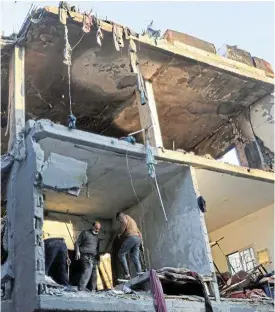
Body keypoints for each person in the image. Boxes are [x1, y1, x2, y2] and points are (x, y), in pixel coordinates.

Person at [75, 221, 101, 292]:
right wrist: (77, 252)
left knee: (94, 274)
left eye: (99, 229)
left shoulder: (97, 237)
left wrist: (98, 259)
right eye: (96, 228)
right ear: (92, 226)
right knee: (87, 270)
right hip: (85, 256)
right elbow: (77, 243)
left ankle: (92, 290)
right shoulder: (85, 233)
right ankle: (81, 289)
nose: (97, 230)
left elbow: (97, 249)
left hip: (94, 257)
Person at [116, 212, 143, 279]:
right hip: (137, 239)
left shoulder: (124, 217)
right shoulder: (132, 221)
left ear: (119, 217)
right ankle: (140, 275)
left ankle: (127, 273)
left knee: (121, 254)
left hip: (131, 238)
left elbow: (124, 223)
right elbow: (140, 233)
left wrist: (120, 233)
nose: (119, 221)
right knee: (135, 258)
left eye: (119, 220)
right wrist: (140, 241)